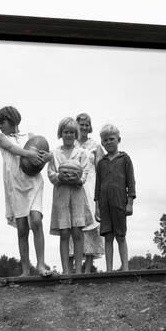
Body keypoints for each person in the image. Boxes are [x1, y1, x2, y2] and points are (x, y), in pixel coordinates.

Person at [0, 106, 52, 277]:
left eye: (2, 122)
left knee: (36, 220)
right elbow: (12, 149)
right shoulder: (1, 137)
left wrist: (47, 157)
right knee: (22, 228)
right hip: (16, 185)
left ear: (12, 119)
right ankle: (26, 270)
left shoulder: (31, 136)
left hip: (33, 182)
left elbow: (44, 153)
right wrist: (30, 154)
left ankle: (41, 265)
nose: (0, 126)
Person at [48, 117, 93, 274]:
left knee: (77, 232)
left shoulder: (82, 153)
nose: (69, 135)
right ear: (61, 133)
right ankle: (66, 271)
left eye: (72, 132)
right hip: (61, 196)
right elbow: (51, 173)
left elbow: (85, 173)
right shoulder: (54, 153)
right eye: (66, 132)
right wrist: (59, 177)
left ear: (76, 134)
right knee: (65, 233)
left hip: (77, 196)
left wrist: (77, 179)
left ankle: (79, 271)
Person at [95, 124, 136, 272]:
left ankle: (125, 269)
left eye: (111, 139)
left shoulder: (125, 159)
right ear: (102, 143)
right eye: (105, 140)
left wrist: (130, 203)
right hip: (104, 204)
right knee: (108, 237)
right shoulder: (101, 163)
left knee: (120, 235)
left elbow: (131, 183)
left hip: (120, 202)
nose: (108, 142)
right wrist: (97, 207)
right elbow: (97, 186)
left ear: (118, 139)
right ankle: (109, 270)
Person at [68, 112, 105, 272]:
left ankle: (87, 270)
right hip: (73, 187)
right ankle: (69, 269)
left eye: (86, 124)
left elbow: (102, 169)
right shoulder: (70, 143)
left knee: (91, 227)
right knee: (71, 226)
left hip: (91, 187)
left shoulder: (95, 146)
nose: (83, 127)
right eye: (81, 124)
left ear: (90, 127)